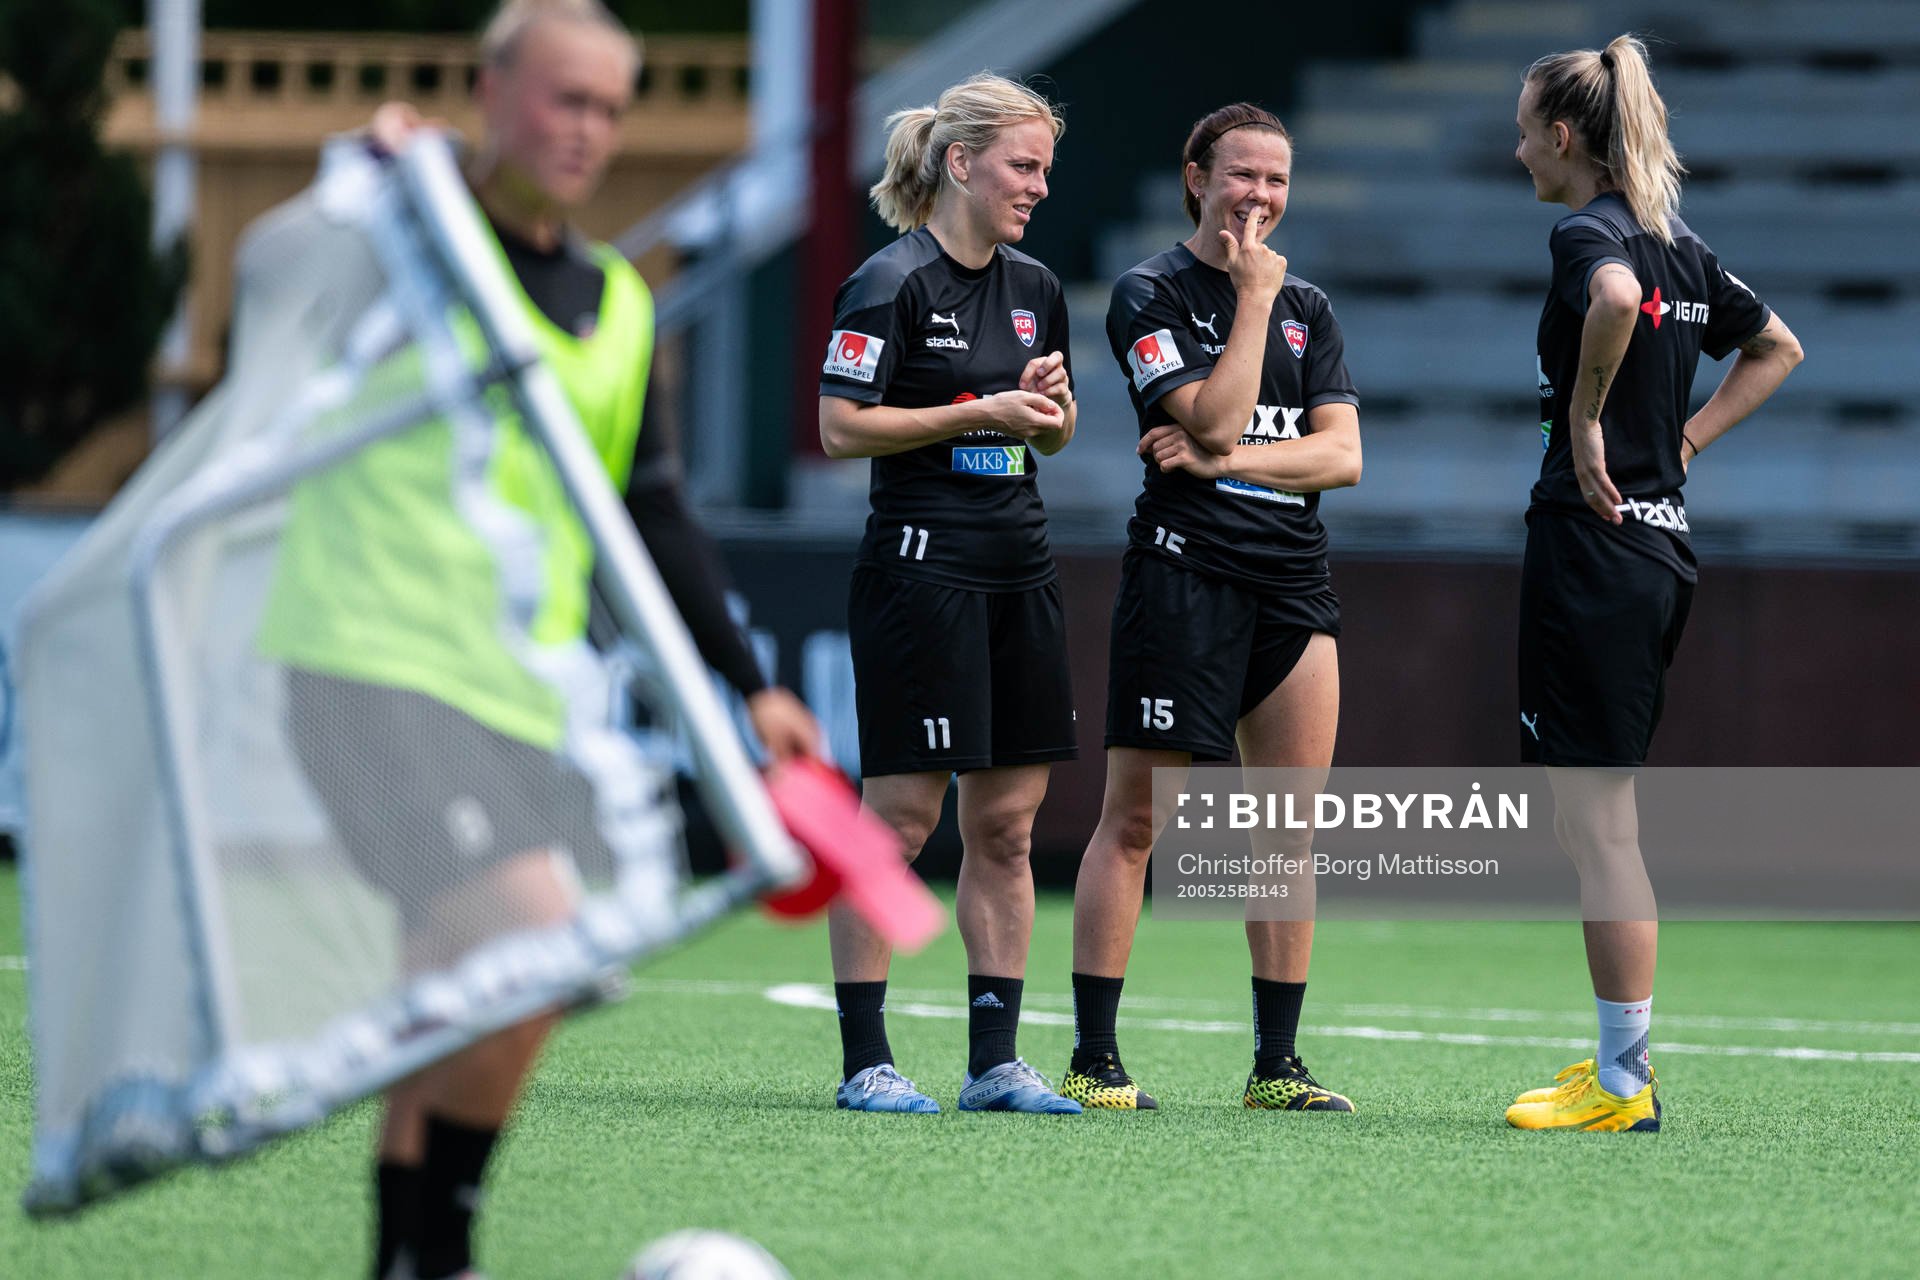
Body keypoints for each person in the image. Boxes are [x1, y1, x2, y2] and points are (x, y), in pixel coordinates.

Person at [264, 3, 821, 1276]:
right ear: (489, 90)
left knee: (458, 978)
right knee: (535, 930)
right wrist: (361, 167)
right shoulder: (400, 234)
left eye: (609, 109)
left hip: (510, 691)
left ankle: (407, 1256)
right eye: (563, 99)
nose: (587, 130)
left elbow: (649, 506)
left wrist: (745, 683)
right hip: (361, 661)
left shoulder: (620, 299)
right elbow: (276, 286)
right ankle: (446, 1249)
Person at [1504, 35, 1802, 1132]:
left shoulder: (1593, 232)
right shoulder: (1683, 242)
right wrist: (1684, 442)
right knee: (1598, 825)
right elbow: (1777, 348)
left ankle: (1625, 1084)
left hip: (1597, 553)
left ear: (1566, 136)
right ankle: (1618, 1069)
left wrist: (1587, 420)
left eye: (1526, 124)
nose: (1517, 143)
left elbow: (1616, 301)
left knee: (1603, 829)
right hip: (1660, 548)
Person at [1065, 104, 1362, 1112]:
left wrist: (1227, 457)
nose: (1261, 198)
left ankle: (1276, 1066)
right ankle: (1094, 1058)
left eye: (1277, 181)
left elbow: (1343, 457)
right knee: (1136, 819)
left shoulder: (1309, 308)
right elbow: (1220, 409)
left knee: (1287, 830)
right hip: (1184, 575)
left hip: (1293, 585)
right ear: (1196, 178)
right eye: (1242, 177)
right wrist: (1252, 300)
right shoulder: (1147, 291)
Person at [817, 73, 1082, 1115]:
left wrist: (1039, 417)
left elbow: (1053, 428)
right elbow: (841, 428)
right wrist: (979, 414)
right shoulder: (888, 281)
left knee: (1009, 825)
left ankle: (995, 1064)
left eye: (1045, 169)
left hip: (1023, 568)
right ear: (960, 162)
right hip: (921, 572)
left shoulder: (1037, 286)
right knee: (898, 816)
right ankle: (865, 1061)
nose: (1039, 187)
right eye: (1024, 166)